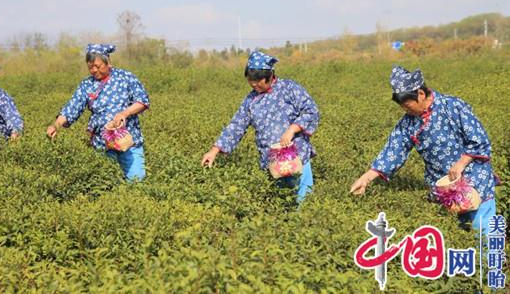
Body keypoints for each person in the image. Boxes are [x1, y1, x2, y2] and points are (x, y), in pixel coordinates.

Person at [350, 65, 498, 234]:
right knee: (455, 232)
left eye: (407, 105)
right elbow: (393, 150)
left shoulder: (452, 107)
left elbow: (479, 139)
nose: (405, 110)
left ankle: (488, 260)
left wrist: (460, 164)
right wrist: (366, 178)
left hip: (474, 178)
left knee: (483, 228)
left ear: (420, 94)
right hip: (443, 185)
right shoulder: (409, 122)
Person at [201, 50, 320, 203]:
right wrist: (214, 151)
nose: (254, 84)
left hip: (298, 157)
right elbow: (236, 125)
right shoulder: (251, 100)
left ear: (270, 76)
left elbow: (311, 111)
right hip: (272, 163)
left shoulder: (290, 89)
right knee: (279, 204)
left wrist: (292, 130)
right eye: (251, 81)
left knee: (304, 202)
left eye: (258, 81)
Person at [46, 44, 150, 181]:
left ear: (108, 62)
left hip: (129, 140)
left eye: (98, 66)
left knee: (137, 181)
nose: (94, 70)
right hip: (102, 144)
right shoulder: (87, 85)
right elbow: (71, 108)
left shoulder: (126, 77)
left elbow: (142, 101)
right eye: (90, 67)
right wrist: (56, 125)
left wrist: (124, 113)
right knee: (106, 183)